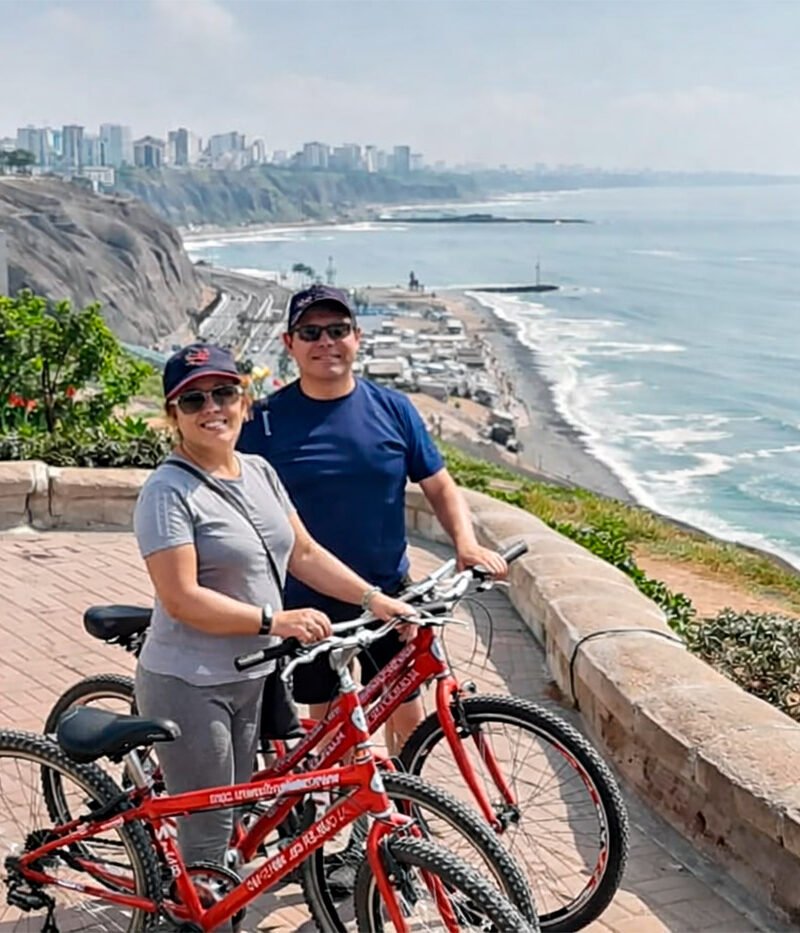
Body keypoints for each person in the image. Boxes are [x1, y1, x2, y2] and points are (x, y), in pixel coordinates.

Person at [133, 342, 411, 870]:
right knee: (212, 840)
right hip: (191, 680)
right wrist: (274, 620)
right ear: (174, 415)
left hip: (251, 676)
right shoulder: (167, 493)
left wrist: (376, 600)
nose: (211, 407)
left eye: (223, 392)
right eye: (193, 400)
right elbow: (181, 598)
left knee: (238, 815)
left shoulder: (258, 470)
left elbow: (303, 553)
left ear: (244, 399)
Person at [238, 284, 508, 757]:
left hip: (390, 593)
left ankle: (402, 816)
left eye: (338, 330)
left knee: (408, 722)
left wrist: (466, 544)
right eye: (311, 332)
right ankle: (335, 822)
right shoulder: (262, 423)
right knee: (326, 738)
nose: (326, 342)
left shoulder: (393, 409)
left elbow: (440, 485)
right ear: (290, 344)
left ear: (357, 337)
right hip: (308, 604)